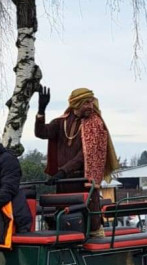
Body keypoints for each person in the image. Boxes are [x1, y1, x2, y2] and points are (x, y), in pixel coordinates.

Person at [34, 86, 118, 237]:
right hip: (64, 184)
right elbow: (41, 133)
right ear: (76, 104)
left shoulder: (95, 125)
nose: (90, 106)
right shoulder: (61, 122)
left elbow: (84, 156)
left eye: (91, 102)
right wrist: (41, 110)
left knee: (90, 226)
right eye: (86, 103)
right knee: (64, 223)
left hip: (84, 182)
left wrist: (62, 171)